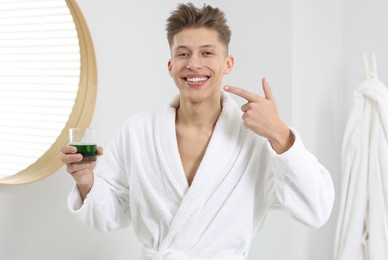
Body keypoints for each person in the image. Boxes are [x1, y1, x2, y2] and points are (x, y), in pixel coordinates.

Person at [61, 3, 334, 260]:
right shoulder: (138, 132)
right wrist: (86, 180)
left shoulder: (259, 137)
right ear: (170, 66)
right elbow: (108, 215)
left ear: (228, 64)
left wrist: (280, 135)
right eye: (183, 53)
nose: (193, 64)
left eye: (207, 52)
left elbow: (316, 210)